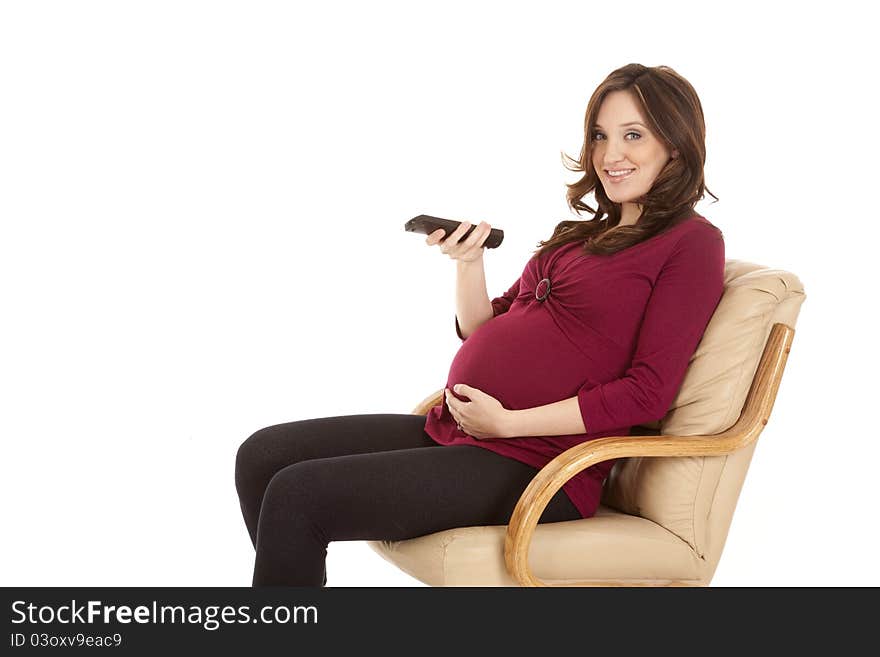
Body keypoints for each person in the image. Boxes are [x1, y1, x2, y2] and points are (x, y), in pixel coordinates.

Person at [234, 62, 726, 587]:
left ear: (675, 145)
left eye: (634, 135)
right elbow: (483, 327)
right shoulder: (579, 237)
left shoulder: (692, 244)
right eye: (600, 136)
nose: (610, 155)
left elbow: (647, 393)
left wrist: (509, 423)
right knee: (263, 457)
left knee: (299, 497)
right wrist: (468, 263)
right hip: (464, 433)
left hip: (537, 465)